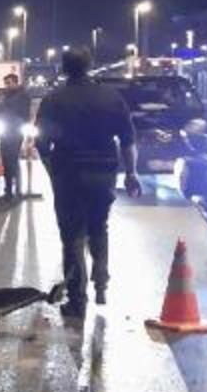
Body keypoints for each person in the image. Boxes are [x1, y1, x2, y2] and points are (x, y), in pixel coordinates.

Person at [36, 47, 141, 317]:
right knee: (99, 226)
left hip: (68, 174)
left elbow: (42, 143)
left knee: (71, 237)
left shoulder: (53, 99)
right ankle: (102, 283)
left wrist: (52, 171)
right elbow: (128, 140)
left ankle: (77, 297)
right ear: (90, 66)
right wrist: (131, 173)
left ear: (63, 68)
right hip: (104, 172)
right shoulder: (111, 96)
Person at [0, 73, 31, 200]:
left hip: (15, 133)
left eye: (9, 83)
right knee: (6, 162)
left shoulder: (22, 95)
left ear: (16, 82)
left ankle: (17, 191)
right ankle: (8, 191)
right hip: (6, 132)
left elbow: (16, 113)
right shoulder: (6, 96)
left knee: (13, 162)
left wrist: (1, 106)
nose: (7, 86)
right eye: (6, 83)